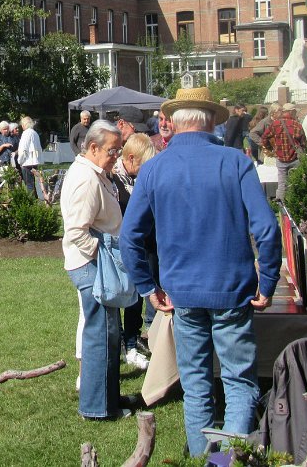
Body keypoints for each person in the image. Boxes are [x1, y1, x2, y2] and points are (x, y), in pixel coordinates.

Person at [119, 87, 281, 456]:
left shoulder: (154, 167)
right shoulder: (235, 162)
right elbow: (267, 230)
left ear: (174, 123)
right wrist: (268, 281)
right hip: (232, 290)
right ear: (210, 121)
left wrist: (148, 287)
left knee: (195, 387)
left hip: (182, 294)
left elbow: (130, 238)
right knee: (238, 383)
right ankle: (226, 462)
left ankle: (206, 461)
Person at [60, 120, 128, 420]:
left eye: (119, 150)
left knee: (109, 333)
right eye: (112, 151)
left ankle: (109, 400)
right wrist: (102, 257)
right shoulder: (86, 178)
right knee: (100, 335)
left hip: (95, 264)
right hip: (91, 266)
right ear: (93, 147)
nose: (116, 156)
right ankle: (97, 408)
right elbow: (76, 230)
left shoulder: (95, 173)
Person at [111, 133, 157, 371]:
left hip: (144, 246)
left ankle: (132, 339)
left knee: (137, 296)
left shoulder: (138, 178)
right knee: (123, 296)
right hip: (122, 247)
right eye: (142, 164)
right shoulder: (112, 180)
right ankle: (122, 342)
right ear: (130, 158)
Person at [262, 103, 307, 202]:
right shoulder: (296, 125)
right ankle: (295, 202)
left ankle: (281, 204)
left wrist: (271, 149)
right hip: (295, 158)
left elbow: (264, 137)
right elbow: (303, 142)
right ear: (291, 112)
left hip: (280, 158)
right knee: (296, 181)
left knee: (282, 183)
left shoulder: (275, 124)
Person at [16, 116, 42, 195]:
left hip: (27, 162)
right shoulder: (34, 133)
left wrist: (20, 161)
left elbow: (23, 149)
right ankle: (35, 199)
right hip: (34, 161)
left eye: (22, 124)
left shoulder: (26, 133)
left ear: (24, 125)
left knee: (29, 185)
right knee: (32, 184)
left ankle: (31, 201)